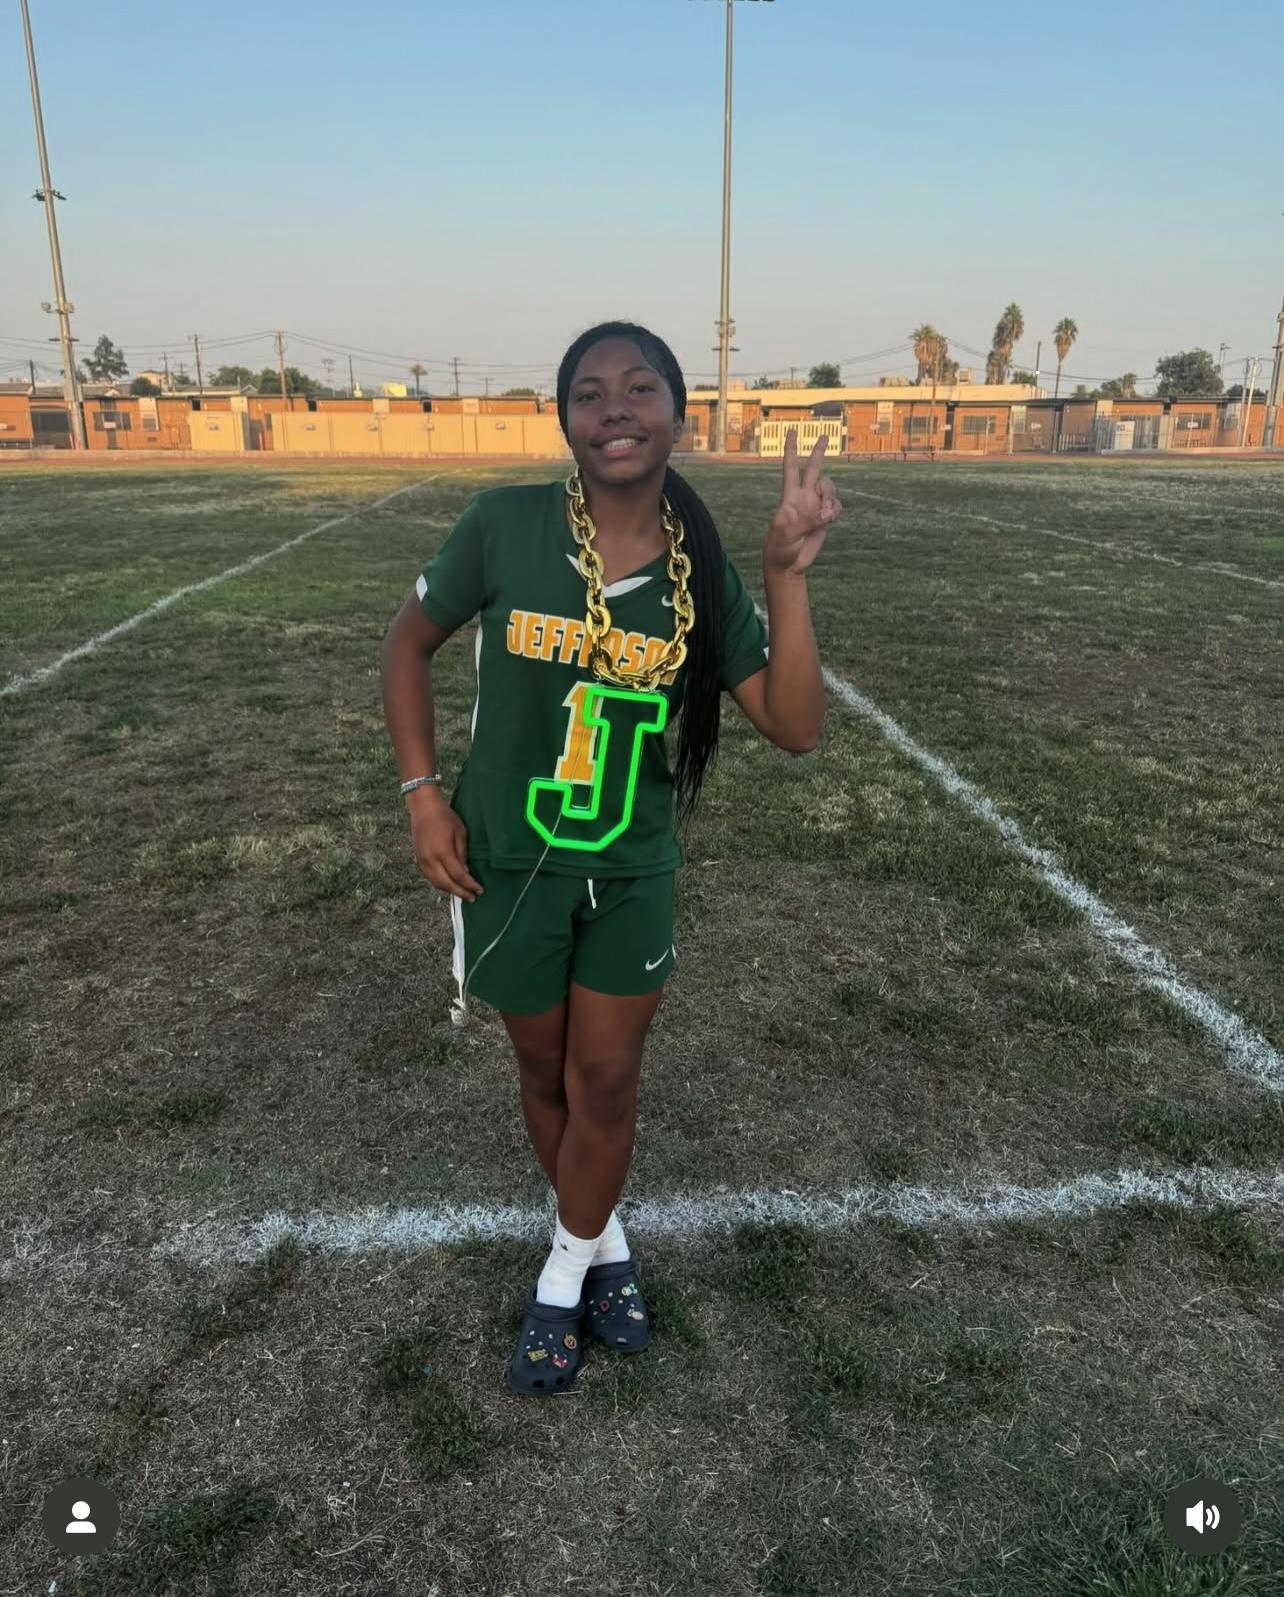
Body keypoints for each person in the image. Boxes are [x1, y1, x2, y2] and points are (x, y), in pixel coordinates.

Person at [379, 320, 840, 1395]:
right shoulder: (504, 524)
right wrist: (421, 795)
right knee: (544, 1072)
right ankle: (605, 1242)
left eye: (640, 389)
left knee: (607, 1075)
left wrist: (784, 576)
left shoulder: (701, 572)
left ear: (679, 414)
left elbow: (796, 725)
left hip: (630, 866)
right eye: (590, 393)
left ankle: (560, 1280)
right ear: (565, 420)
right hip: (506, 858)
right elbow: (405, 644)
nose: (616, 409)